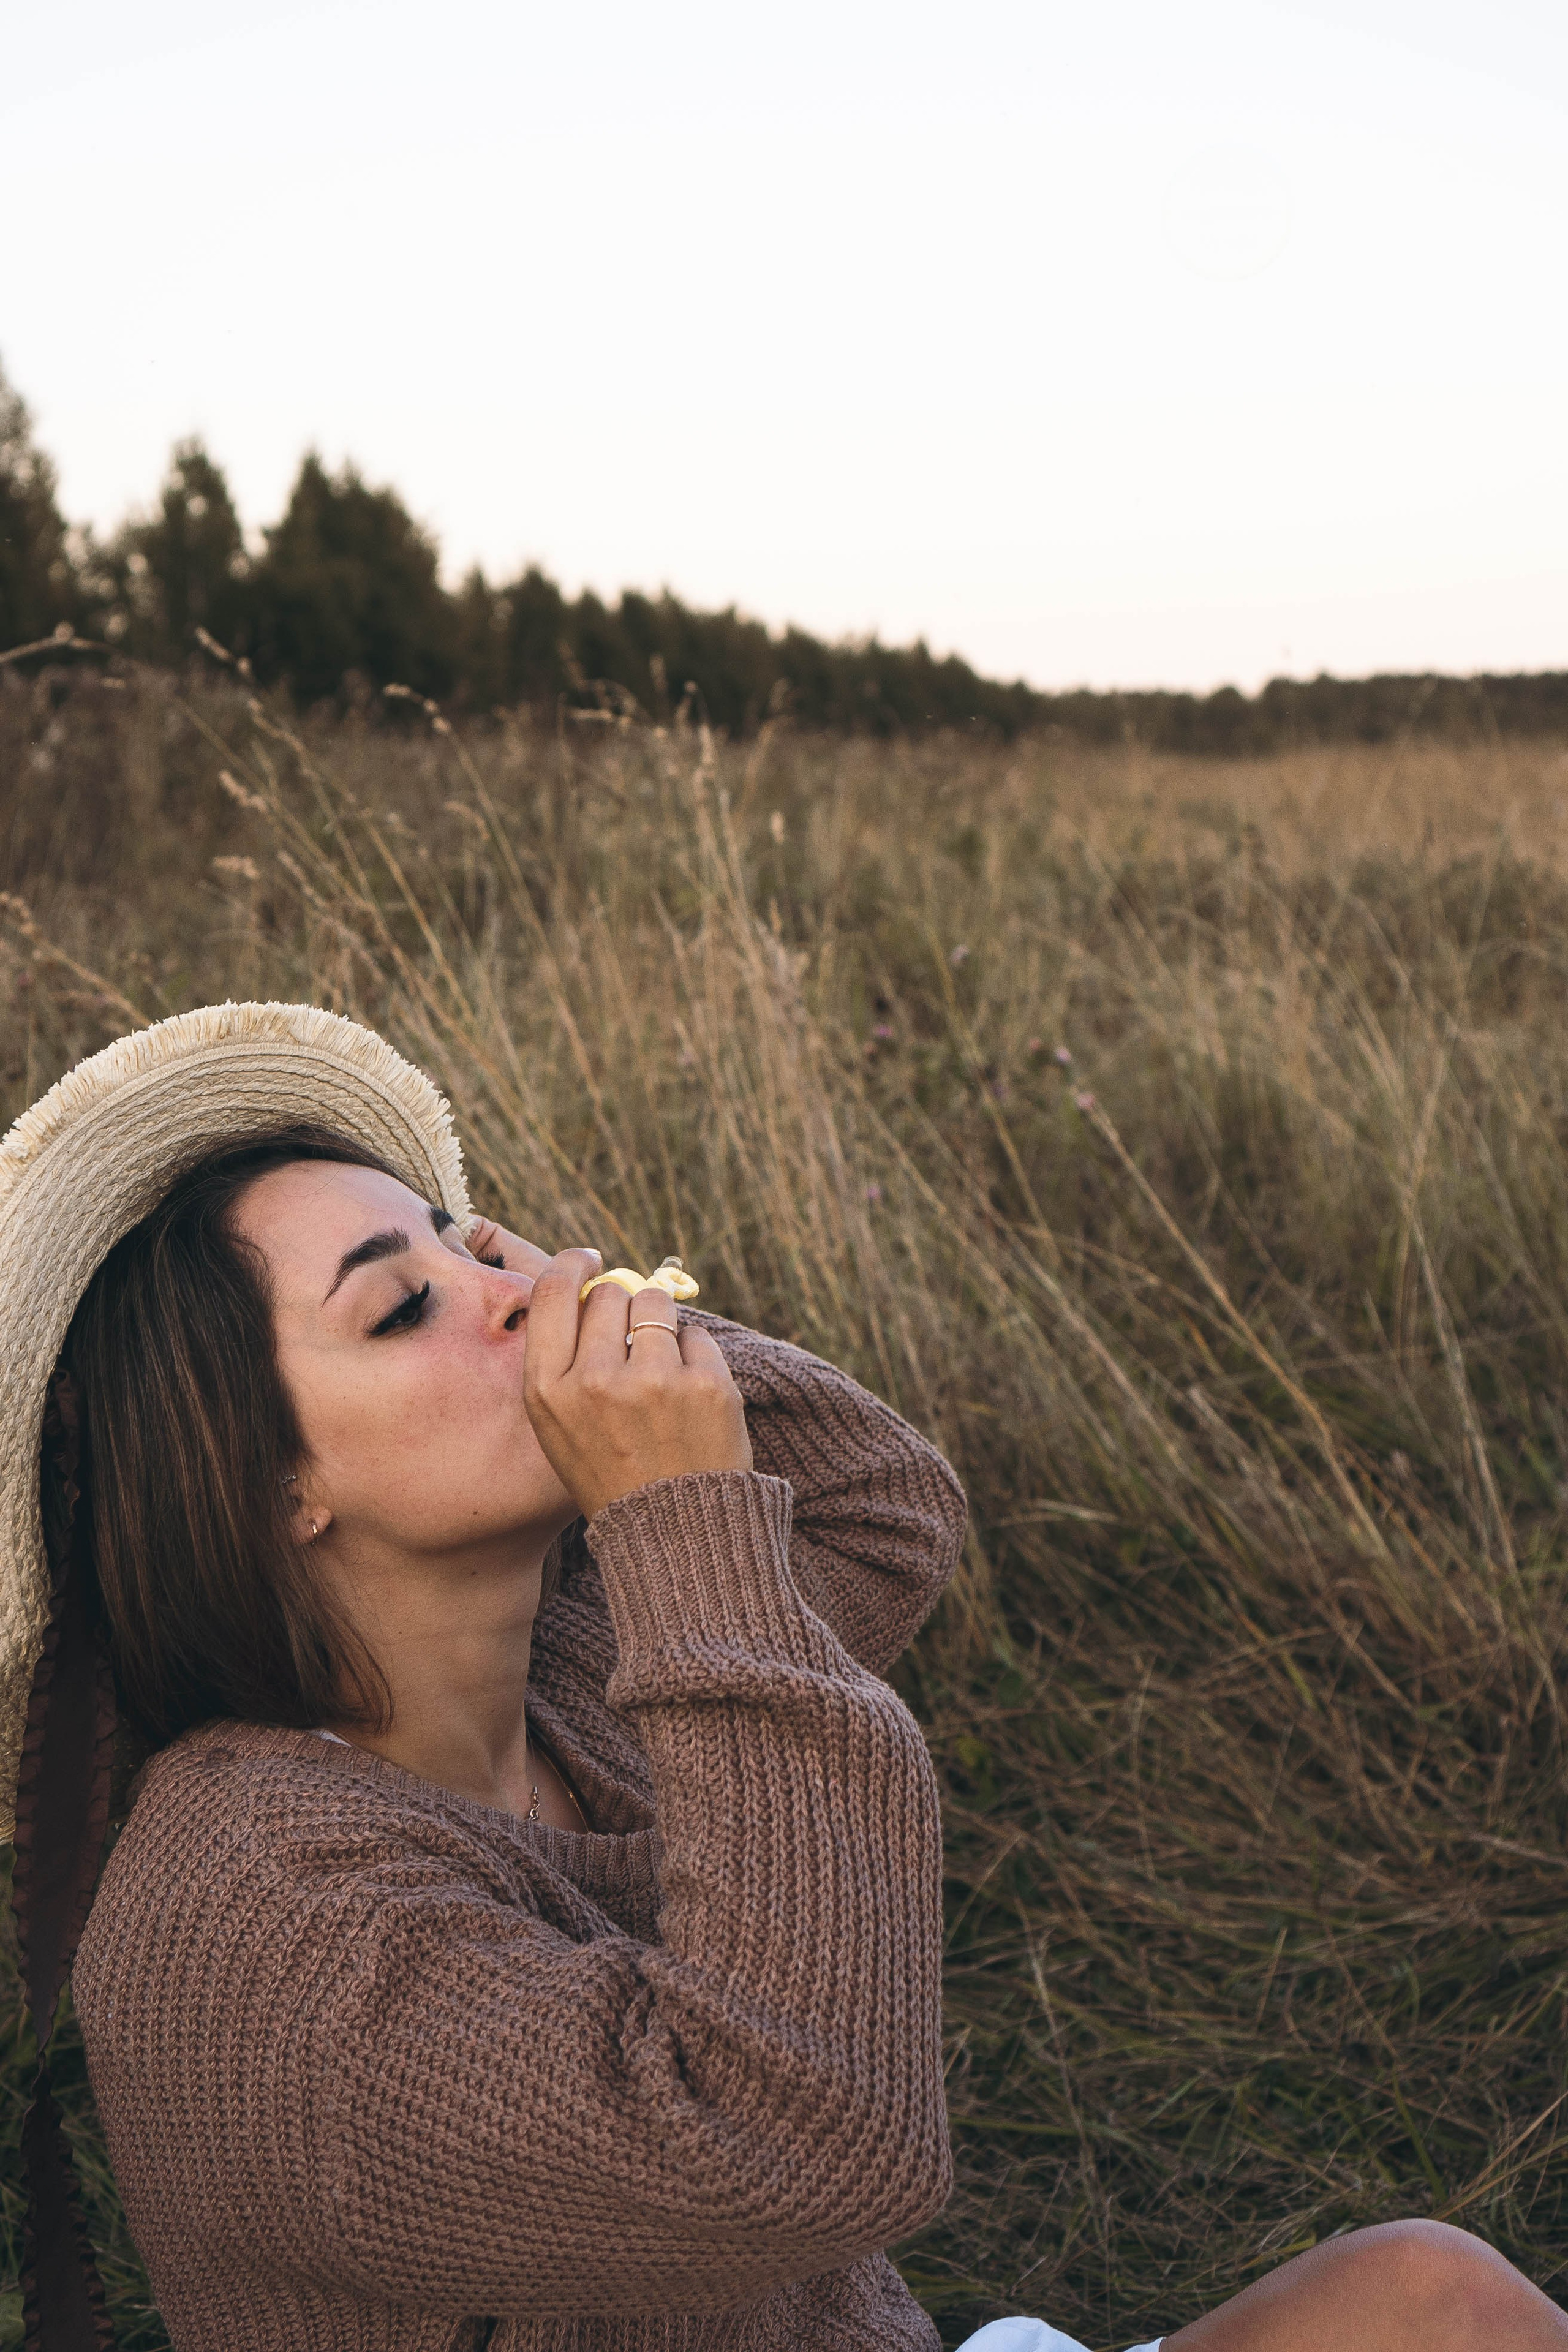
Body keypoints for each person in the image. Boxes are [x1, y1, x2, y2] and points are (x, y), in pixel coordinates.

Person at [1, 1002, 1562, 2352]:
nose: (520, 1296)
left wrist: (603, 1328)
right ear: (268, 1491)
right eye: (403, 1304)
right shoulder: (251, 1914)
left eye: (470, 1241)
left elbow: (880, 1510)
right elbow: (812, 2142)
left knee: (1432, 2296)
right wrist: (674, 1508)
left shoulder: (561, 1668)